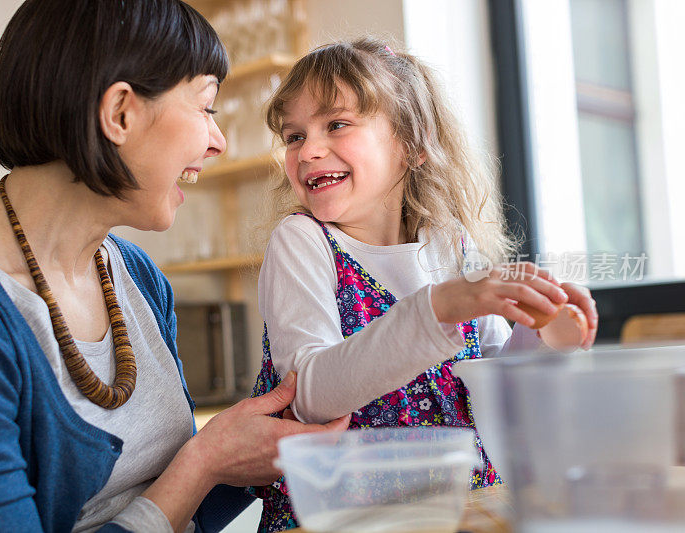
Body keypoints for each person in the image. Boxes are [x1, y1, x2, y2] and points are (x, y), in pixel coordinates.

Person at [0, 1, 350, 532]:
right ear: (121, 114)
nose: (217, 141)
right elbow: (182, 484)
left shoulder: (135, 276)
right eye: (206, 107)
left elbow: (168, 509)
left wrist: (258, 451)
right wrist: (203, 463)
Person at [249, 38, 599, 531]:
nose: (308, 151)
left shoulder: (450, 246)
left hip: (463, 512)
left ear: (412, 144)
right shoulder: (303, 241)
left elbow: (498, 388)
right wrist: (437, 309)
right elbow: (309, 392)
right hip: (344, 520)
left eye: (336, 125)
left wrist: (546, 333)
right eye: (293, 136)